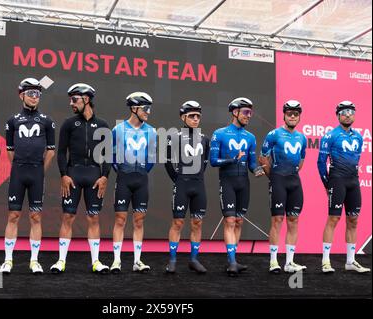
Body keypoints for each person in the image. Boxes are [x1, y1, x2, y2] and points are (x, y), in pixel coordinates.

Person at [50, 83, 111, 274]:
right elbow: (61, 153)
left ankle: (96, 262)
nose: (71, 103)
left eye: (74, 99)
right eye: (70, 99)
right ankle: (61, 261)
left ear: (87, 99)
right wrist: (64, 174)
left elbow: (107, 155)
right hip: (73, 175)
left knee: (93, 218)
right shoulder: (69, 124)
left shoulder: (103, 125)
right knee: (68, 216)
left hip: (94, 175)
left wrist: (104, 176)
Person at [0, 78, 56, 274]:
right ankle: (8, 260)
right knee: (13, 215)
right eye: (31, 93)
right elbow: (9, 150)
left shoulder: (47, 121)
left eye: (38, 94)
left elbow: (50, 151)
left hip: (36, 173)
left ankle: (34, 260)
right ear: (21, 95)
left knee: (36, 216)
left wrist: (41, 170)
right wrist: (18, 166)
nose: (35, 97)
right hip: (18, 172)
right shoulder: (12, 120)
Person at [210, 97, 264, 276]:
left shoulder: (251, 137)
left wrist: (257, 169)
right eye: (246, 112)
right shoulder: (220, 133)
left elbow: (251, 163)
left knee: (239, 221)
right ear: (235, 112)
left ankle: (233, 259)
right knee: (229, 220)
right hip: (227, 182)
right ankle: (232, 262)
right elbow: (213, 161)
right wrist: (233, 159)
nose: (249, 116)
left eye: (250, 113)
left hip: (244, 184)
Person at [317, 101, 370, 273]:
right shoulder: (330, 136)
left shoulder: (358, 137)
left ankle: (350, 261)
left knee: (353, 220)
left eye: (351, 111)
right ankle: (325, 261)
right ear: (338, 115)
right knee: (333, 219)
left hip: (353, 181)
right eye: (344, 112)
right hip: (336, 180)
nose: (348, 114)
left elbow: (356, 160)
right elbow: (320, 163)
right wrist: (327, 184)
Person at [110, 92, 157, 273]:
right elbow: (112, 157)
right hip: (124, 178)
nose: (148, 112)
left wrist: (141, 171)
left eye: (149, 108)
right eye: (146, 108)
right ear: (134, 108)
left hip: (141, 180)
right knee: (120, 220)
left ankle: (137, 261)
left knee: (139, 220)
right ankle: (116, 261)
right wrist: (123, 170)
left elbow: (152, 159)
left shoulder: (152, 131)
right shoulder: (118, 130)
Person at [259, 100, 307, 274]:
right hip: (278, 179)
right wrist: (273, 177)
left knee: (293, 220)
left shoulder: (302, 137)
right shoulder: (274, 134)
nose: (292, 116)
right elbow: (262, 158)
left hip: (294, 181)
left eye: (295, 114)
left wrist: (291, 173)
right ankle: (273, 261)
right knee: (277, 220)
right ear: (284, 115)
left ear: (299, 116)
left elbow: (301, 160)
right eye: (289, 113)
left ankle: (289, 262)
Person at [165, 101, 210, 274]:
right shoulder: (174, 136)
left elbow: (204, 163)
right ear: (183, 117)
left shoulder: (205, 139)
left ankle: (193, 259)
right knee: (178, 222)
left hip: (198, 185)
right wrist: (178, 179)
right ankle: (173, 260)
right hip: (182, 184)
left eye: (198, 116)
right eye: (192, 116)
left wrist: (196, 177)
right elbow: (168, 162)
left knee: (197, 223)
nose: (196, 119)